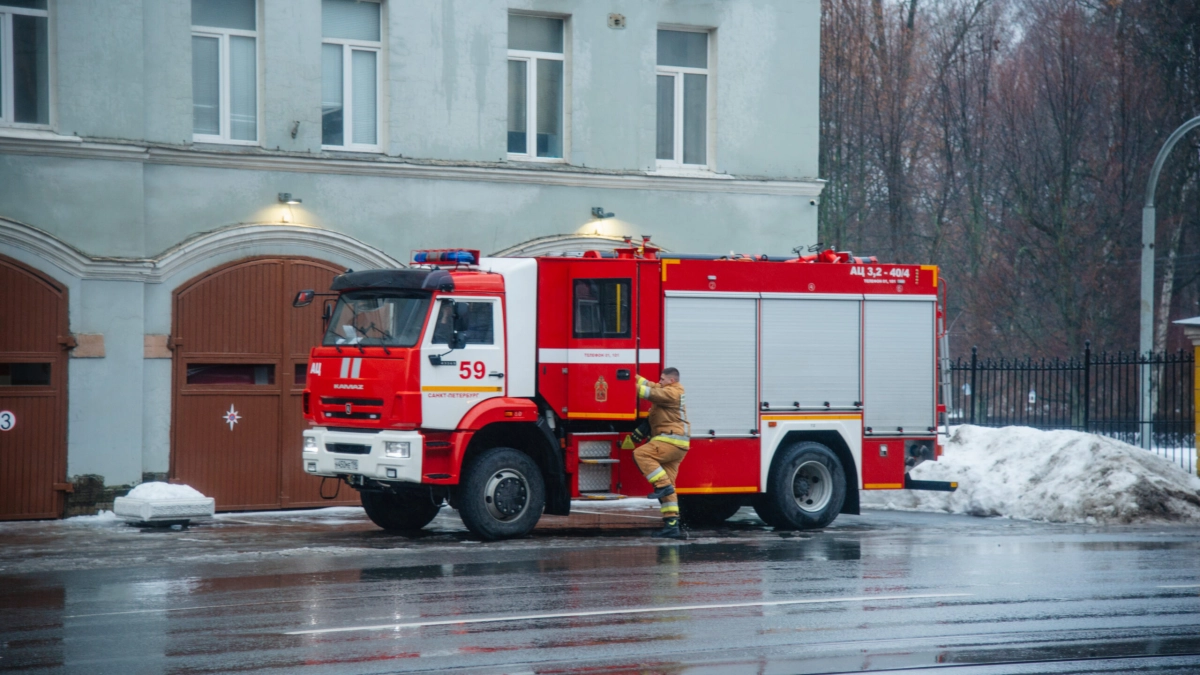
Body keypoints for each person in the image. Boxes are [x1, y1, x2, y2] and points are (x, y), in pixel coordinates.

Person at [632, 367, 690, 539]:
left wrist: (624, 384)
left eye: (662, 379)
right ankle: (672, 526)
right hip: (673, 442)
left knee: (641, 454)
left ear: (671, 380)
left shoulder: (673, 393)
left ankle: (662, 486)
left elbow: (649, 392)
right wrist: (629, 374)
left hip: (671, 440)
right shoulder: (666, 389)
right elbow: (649, 384)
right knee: (671, 485)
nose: (660, 381)